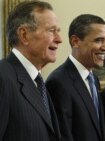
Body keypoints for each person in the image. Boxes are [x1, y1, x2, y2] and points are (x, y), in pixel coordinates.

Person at [0, 1, 62, 141]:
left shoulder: (38, 82)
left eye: (58, 31)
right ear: (24, 35)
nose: (59, 39)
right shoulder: (3, 77)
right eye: (51, 31)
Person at [45, 14, 105, 141]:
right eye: (98, 40)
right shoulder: (58, 82)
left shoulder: (94, 79)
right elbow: (63, 136)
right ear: (75, 41)